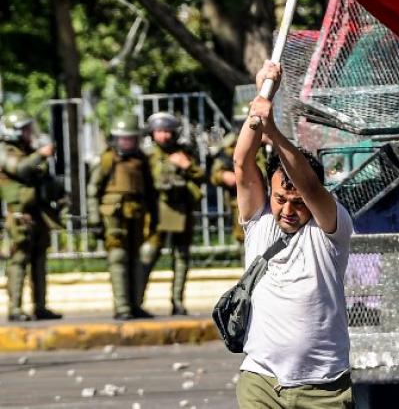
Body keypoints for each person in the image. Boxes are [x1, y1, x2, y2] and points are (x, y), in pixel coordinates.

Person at [234, 61, 354, 408]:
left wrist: (273, 131)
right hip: (261, 381)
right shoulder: (259, 222)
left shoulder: (330, 227)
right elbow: (243, 163)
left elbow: (309, 185)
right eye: (280, 200)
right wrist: (263, 96)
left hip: (323, 387)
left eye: (297, 203)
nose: (287, 210)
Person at [88, 114, 158, 320]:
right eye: (123, 139)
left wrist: (154, 217)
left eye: (131, 139)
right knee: (118, 258)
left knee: (137, 259)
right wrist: (94, 219)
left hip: (137, 215)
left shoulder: (142, 160)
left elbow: (150, 190)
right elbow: (93, 189)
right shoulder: (107, 158)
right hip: (113, 217)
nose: (127, 143)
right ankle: (122, 307)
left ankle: (135, 305)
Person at [0, 110, 64, 321]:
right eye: (26, 129)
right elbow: (20, 169)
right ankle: (15, 308)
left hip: (38, 213)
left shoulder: (29, 151)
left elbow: (44, 179)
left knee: (39, 261)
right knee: (19, 260)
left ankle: (40, 306)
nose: (30, 133)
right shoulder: (5, 151)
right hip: (19, 215)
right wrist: (40, 155)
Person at [142, 112, 205, 315]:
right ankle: (136, 301)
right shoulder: (148, 155)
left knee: (181, 256)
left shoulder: (184, 151)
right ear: (152, 133)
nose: (164, 136)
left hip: (182, 209)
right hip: (157, 212)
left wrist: (186, 165)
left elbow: (201, 175)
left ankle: (177, 301)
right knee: (148, 254)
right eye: (160, 131)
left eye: (168, 131)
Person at [210, 102, 262, 244]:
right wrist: (223, 176)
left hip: (272, 198)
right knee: (245, 240)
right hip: (243, 202)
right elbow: (215, 173)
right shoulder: (231, 146)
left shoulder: (267, 141)